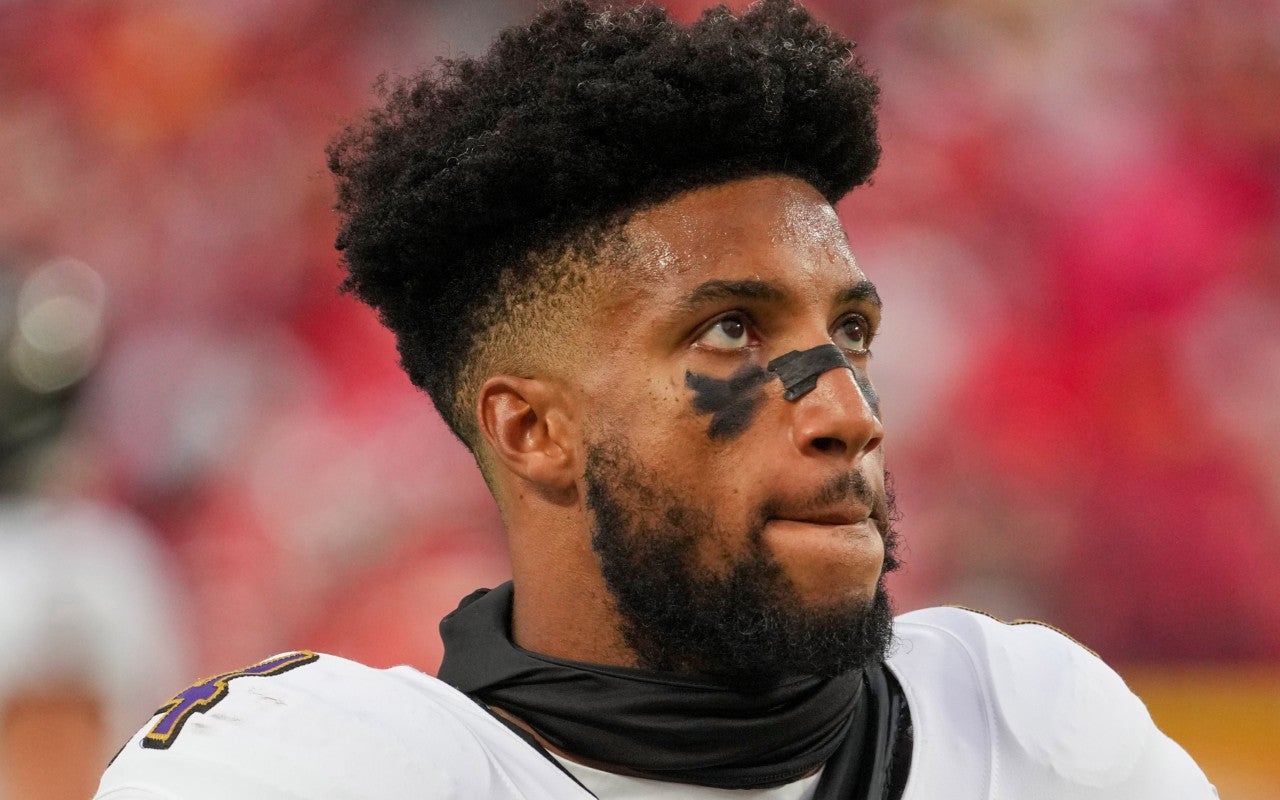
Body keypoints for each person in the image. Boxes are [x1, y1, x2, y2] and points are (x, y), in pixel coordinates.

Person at [95, 1, 1217, 797]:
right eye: (731, 328)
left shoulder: (1027, 725)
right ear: (531, 428)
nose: (848, 412)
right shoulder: (316, 768)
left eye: (851, 332)